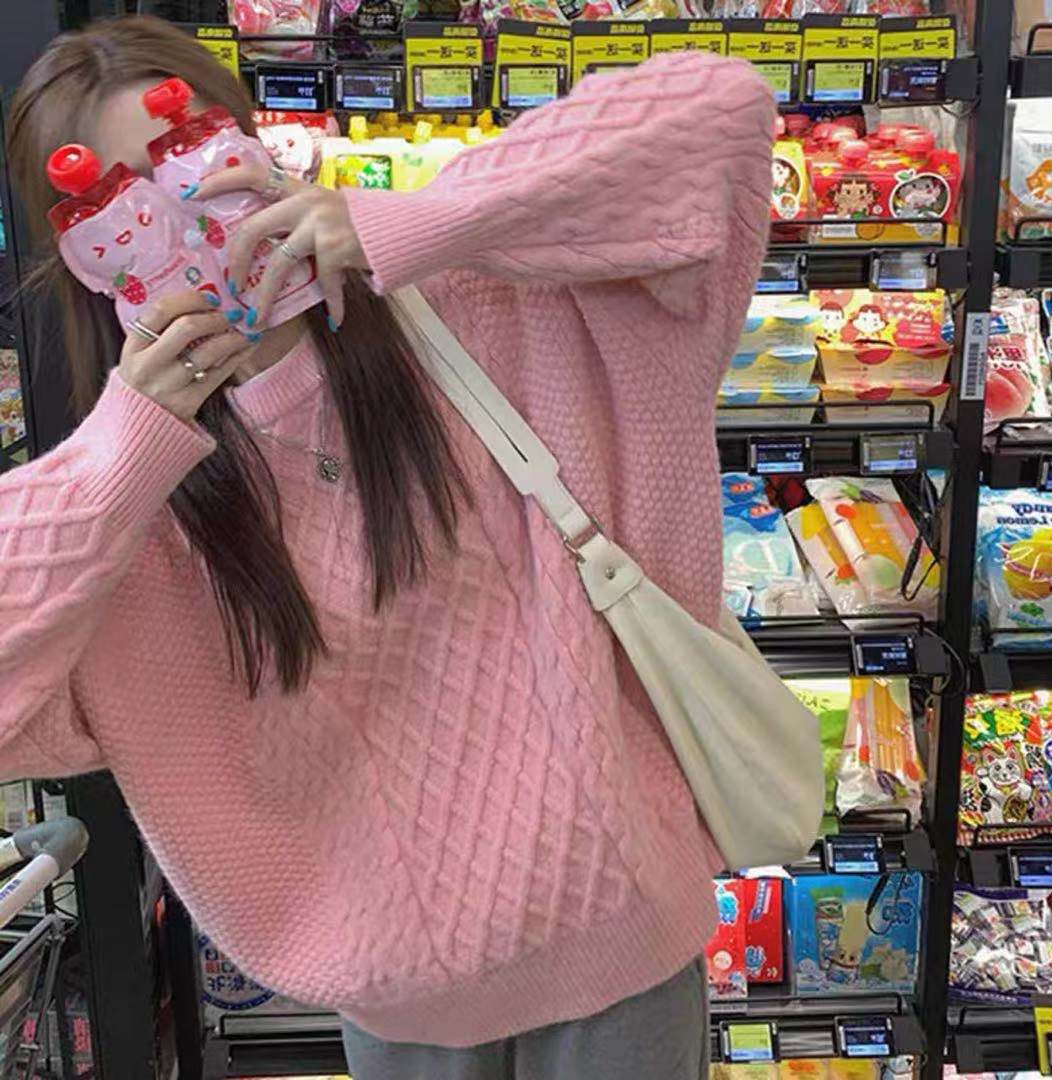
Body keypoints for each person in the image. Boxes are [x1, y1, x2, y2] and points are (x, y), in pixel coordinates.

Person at [1, 15, 773, 1079]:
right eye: (116, 207)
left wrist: (408, 223)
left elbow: (719, 109)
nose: (185, 227)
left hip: (620, 943)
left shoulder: (478, 308)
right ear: (85, 261)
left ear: (255, 149)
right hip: (399, 1000)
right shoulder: (139, 514)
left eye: (192, 160)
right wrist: (118, 452)